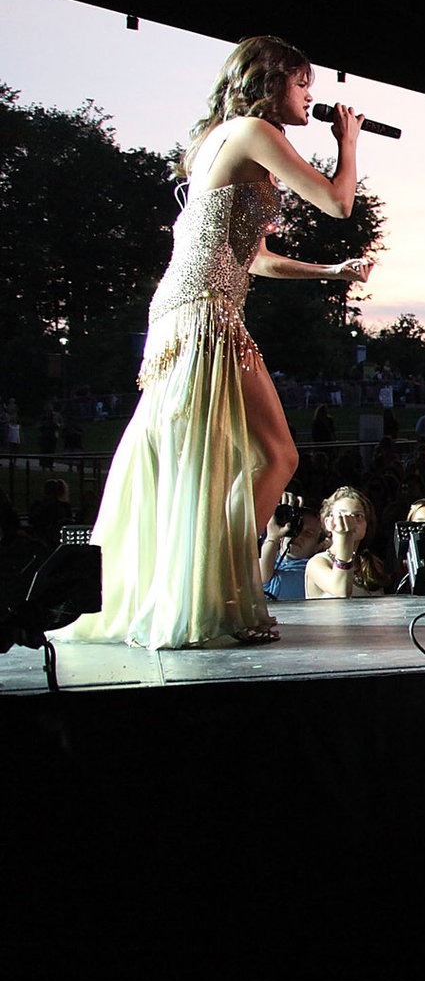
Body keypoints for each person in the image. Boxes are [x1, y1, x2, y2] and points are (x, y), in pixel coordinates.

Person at [57, 36, 372, 647]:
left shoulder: (219, 141)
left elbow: (251, 258)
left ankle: (212, 587)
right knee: (271, 457)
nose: (313, 97)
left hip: (191, 312)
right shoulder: (254, 129)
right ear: (271, 82)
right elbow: (338, 203)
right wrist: (349, 143)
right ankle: (218, 592)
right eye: (303, 83)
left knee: (230, 462)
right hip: (205, 315)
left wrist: (328, 274)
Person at [304, 487, 387, 598]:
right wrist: (345, 537)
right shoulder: (317, 563)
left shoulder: (372, 564)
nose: (350, 521)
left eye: (358, 516)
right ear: (328, 523)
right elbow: (341, 591)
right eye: (342, 515)